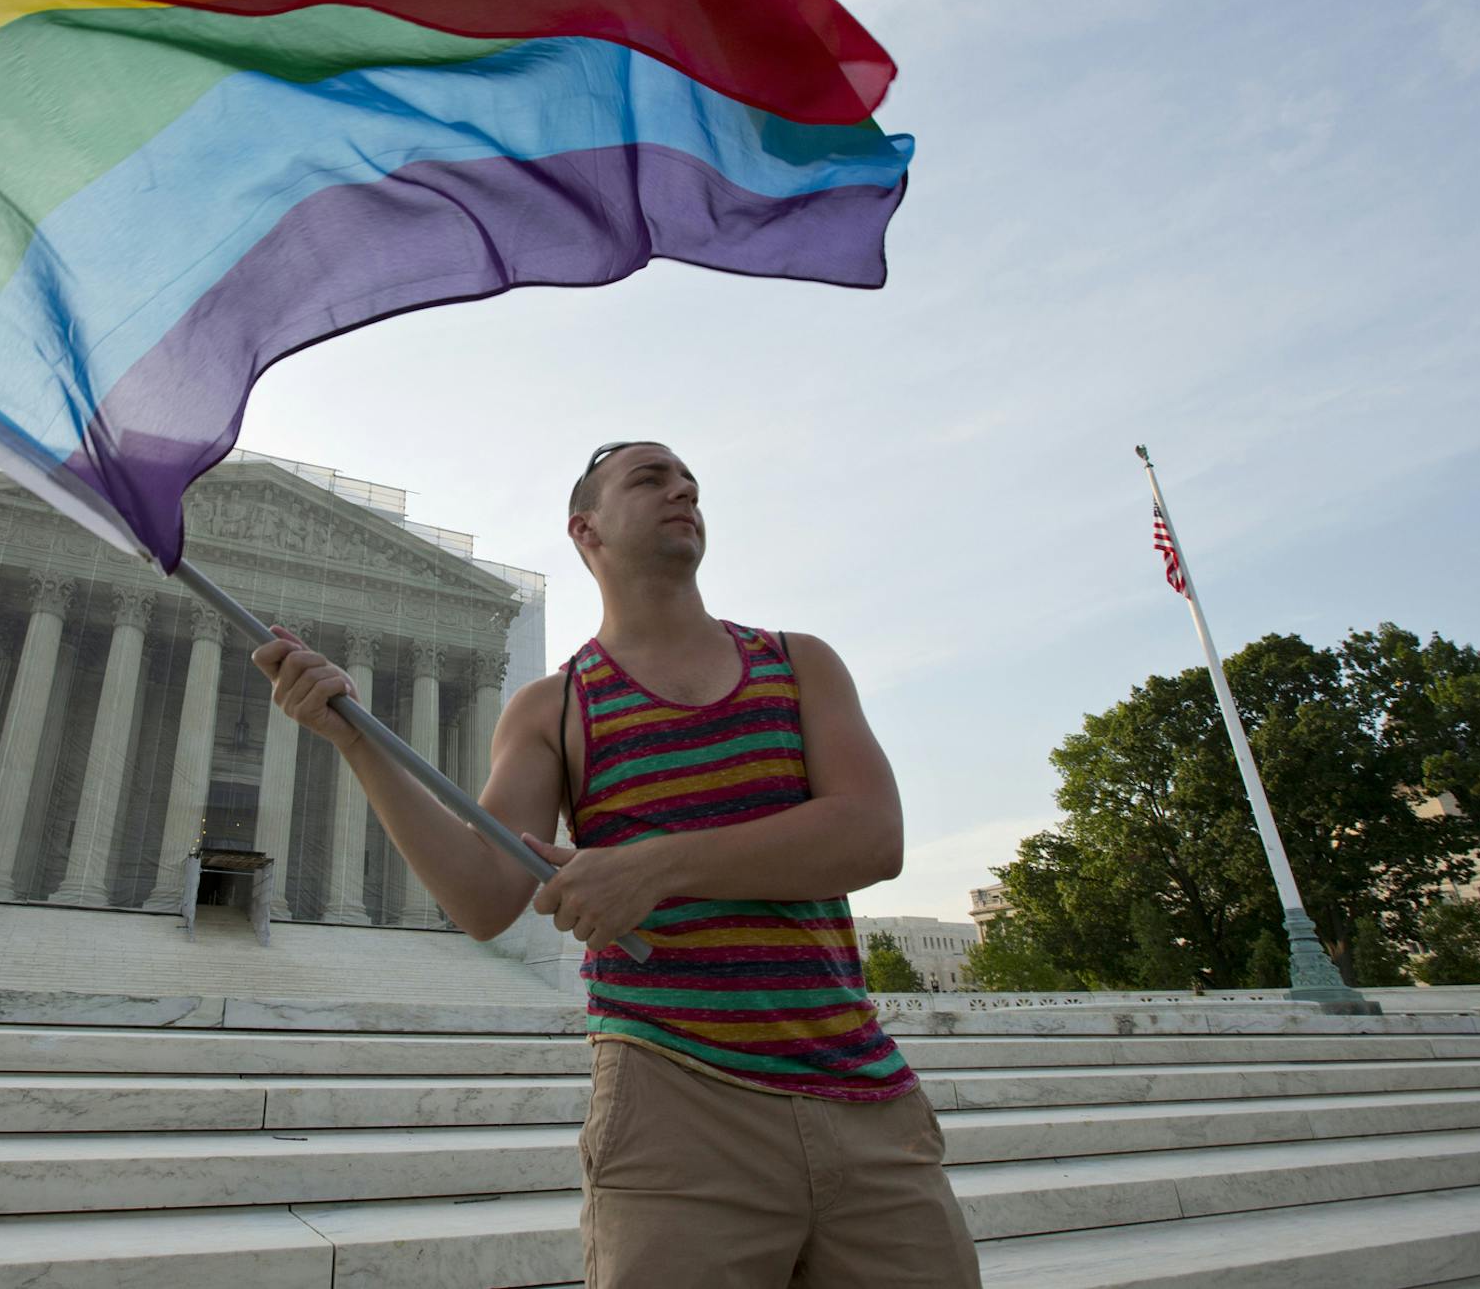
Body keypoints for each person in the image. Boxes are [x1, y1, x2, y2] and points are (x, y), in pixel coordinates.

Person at [253, 442, 980, 1288]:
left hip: (866, 1102)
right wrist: (357, 742)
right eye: (651, 478)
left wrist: (653, 866)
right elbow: (488, 897)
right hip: (674, 1104)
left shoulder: (801, 662)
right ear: (585, 527)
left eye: (691, 483)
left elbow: (870, 835)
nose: (684, 490)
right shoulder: (554, 709)